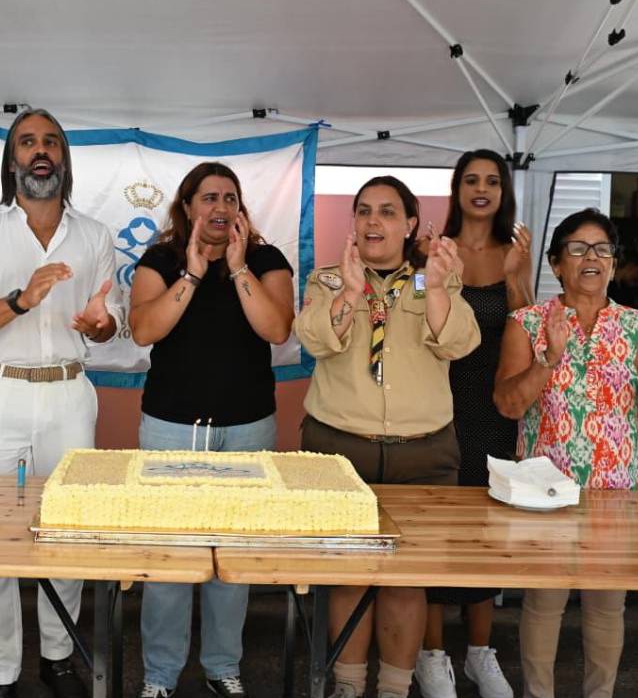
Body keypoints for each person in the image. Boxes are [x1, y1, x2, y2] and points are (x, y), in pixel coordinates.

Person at [0, 108, 122, 698]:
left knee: (66, 531)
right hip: (0, 392)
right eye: (27, 143)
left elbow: (110, 322)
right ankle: (1, 671)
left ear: (63, 158)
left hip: (69, 394)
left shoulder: (94, 235)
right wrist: (21, 299)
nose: (39, 151)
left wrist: (100, 325)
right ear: (11, 159)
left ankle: (57, 656)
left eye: (50, 142)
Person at [294, 175, 480, 698]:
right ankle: (349, 687)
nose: (373, 221)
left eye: (388, 211)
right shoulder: (329, 279)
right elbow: (313, 338)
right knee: (349, 576)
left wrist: (438, 287)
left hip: (423, 455)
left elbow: (459, 342)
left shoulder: (433, 278)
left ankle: (395, 690)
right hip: (340, 450)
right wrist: (350, 293)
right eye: (364, 211)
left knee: (406, 578)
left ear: (411, 224)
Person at [494, 208, 638, 698]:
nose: (591, 257)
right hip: (545, 494)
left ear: (614, 264)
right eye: (577, 248)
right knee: (543, 604)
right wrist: (549, 359)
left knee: (606, 607)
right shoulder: (527, 323)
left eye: (602, 249)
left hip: (616, 497)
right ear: (556, 264)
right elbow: (508, 404)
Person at [127, 162, 295, 698]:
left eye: (230, 198)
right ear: (187, 207)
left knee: (233, 559)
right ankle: (160, 675)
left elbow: (277, 328)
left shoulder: (266, 260)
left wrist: (239, 268)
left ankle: (223, 667)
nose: (221, 207)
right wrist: (194, 273)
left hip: (247, 431)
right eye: (209, 198)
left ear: (241, 209)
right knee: (170, 558)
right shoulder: (162, 260)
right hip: (172, 429)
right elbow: (142, 330)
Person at [417, 149, 530, 698]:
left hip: (494, 410)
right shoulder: (433, 250)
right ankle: (432, 654)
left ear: (503, 191)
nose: (481, 189)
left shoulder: (515, 252)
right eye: (471, 180)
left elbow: (529, 326)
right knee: (439, 532)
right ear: (457, 189)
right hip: (437, 407)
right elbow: (417, 318)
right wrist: (436, 276)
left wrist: (514, 278)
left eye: (492, 181)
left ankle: (480, 654)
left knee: (488, 532)